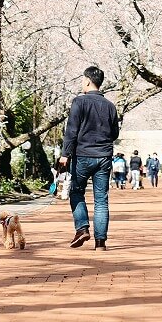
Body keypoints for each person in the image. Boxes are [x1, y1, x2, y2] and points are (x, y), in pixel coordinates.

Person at [59, 66, 120, 250]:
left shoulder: (79, 102)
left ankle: (82, 228)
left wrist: (65, 155)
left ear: (87, 81)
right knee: (101, 199)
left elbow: (71, 130)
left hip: (82, 156)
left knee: (76, 192)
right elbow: (115, 133)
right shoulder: (110, 106)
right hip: (104, 157)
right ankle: (100, 242)